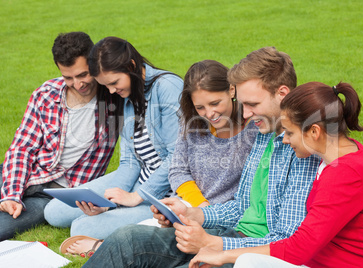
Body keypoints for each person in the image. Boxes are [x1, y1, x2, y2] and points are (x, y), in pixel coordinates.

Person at [82, 47, 321, 268]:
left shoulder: (301, 148)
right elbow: (241, 206)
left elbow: (286, 239)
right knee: (128, 239)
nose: (245, 113)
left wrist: (214, 244)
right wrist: (195, 214)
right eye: (244, 104)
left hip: (251, 252)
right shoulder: (263, 134)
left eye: (252, 104)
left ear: (282, 94)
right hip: (229, 232)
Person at [189, 82, 363, 268]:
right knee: (247, 260)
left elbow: (297, 249)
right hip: (316, 262)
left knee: (247, 262)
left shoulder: (346, 173)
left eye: (290, 133)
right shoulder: (337, 157)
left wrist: (224, 253)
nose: (285, 140)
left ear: (314, 132)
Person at [44, 36, 183, 241]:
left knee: (81, 229)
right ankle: (116, 210)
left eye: (114, 83)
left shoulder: (168, 88)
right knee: (54, 212)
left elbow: (177, 158)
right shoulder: (128, 99)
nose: (111, 91)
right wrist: (110, 202)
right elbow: (129, 162)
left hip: (166, 193)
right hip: (139, 180)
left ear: (131, 66)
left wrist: (137, 197)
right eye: (105, 85)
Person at [0, 32, 119, 241]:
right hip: (28, 172)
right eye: (68, 77)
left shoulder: (115, 101)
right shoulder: (46, 94)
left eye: (83, 75)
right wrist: (11, 194)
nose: (77, 84)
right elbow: (22, 148)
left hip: (56, 196)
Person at [169, 59, 257, 207]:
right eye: (200, 107)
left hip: (227, 218)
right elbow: (178, 171)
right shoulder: (193, 121)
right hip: (190, 206)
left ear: (231, 90)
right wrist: (200, 205)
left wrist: (207, 214)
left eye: (215, 103)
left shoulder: (254, 126)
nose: (209, 114)